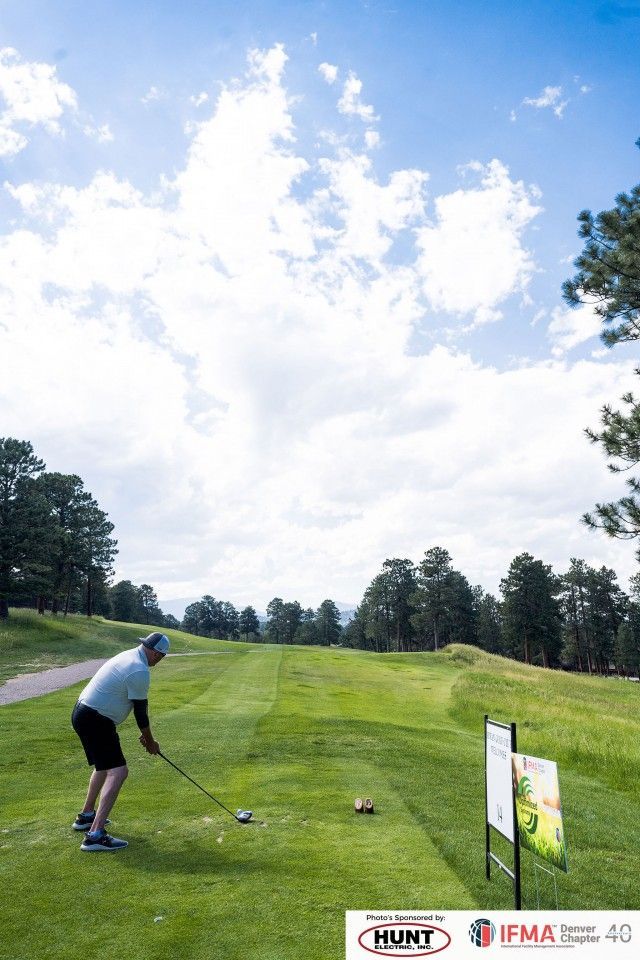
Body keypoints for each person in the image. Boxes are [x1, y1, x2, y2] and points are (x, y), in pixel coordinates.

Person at [71, 631, 169, 852]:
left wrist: (147, 737)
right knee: (119, 771)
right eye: (161, 657)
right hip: (96, 719)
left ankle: (87, 815)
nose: (159, 661)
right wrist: (150, 742)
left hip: (83, 713)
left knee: (104, 767)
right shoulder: (139, 670)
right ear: (155, 653)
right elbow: (140, 713)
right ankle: (95, 835)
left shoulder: (128, 655)